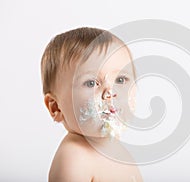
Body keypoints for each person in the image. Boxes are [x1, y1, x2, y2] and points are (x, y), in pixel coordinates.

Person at [41, 27, 143, 182]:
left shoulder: (117, 149)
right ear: (56, 107)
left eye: (120, 80)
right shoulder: (74, 158)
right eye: (91, 83)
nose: (110, 92)